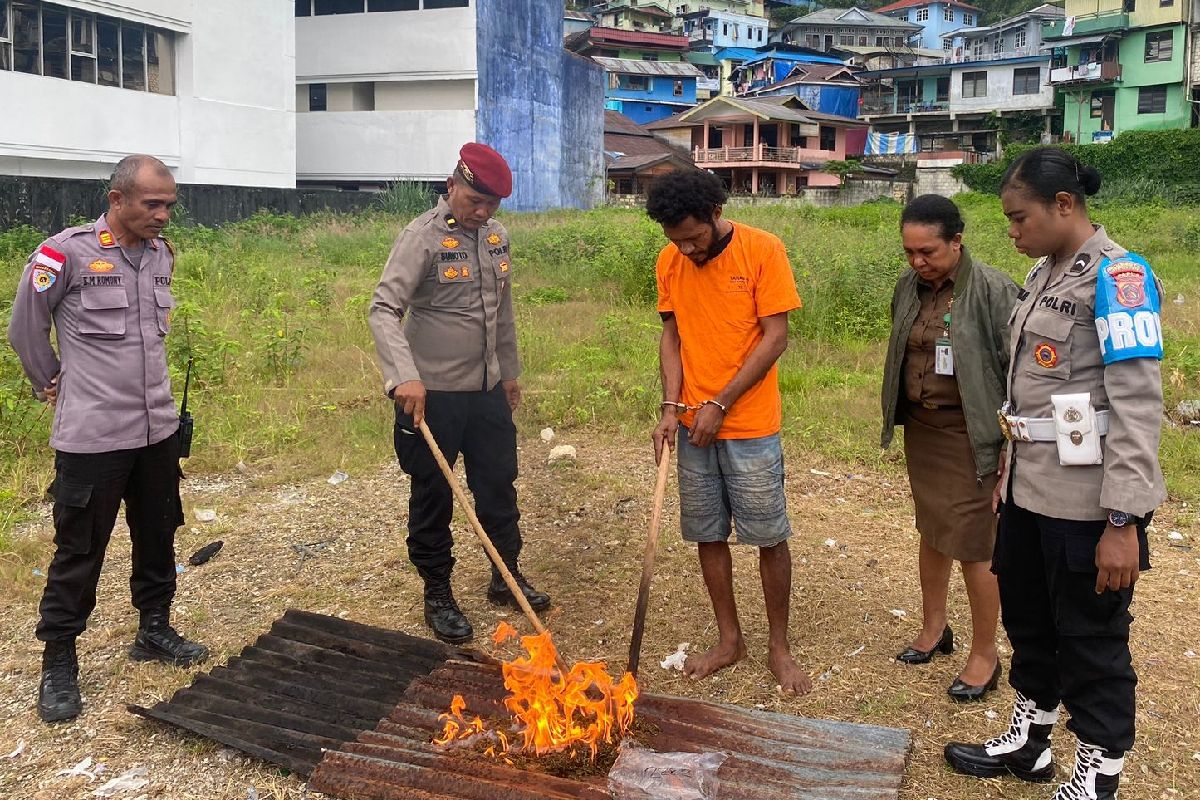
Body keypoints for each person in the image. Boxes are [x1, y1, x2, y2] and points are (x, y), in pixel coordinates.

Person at [945, 148, 1166, 799]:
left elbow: (1136, 405)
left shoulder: (1119, 277)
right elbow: (1032, 393)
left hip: (1086, 503)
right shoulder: (1045, 272)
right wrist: (1003, 478)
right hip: (1028, 492)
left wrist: (1123, 520)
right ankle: (1031, 739)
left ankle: (1097, 773)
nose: (1010, 232)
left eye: (1019, 218)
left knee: (1092, 643)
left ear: (1063, 205)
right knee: (1031, 624)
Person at [8, 154, 209, 724]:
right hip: (94, 436)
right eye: (153, 203)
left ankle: (153, 629)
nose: (164, 215)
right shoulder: (64, 253)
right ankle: (59, 661)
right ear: (117, 199)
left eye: (170, 204)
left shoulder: (160, 256)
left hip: (157, 430)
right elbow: (26, 327)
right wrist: (50, 381)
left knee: (158, 533)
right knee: (79, 551)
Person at [368, 143, 548, 645]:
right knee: (433, 493)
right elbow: (384, 308)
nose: (482, 211)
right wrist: (403, 376)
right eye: (474, 200)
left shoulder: (496, 237)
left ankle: (505, 574)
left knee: (498, 486)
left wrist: (508, 372)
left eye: (492, 204)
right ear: (452, 186)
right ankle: (438, 592)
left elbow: (503, 311)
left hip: (487, 390)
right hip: (433, 395)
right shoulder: (421, 237)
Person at [647, 169, 810, 695]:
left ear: (716, 213)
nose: (688, 249)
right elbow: (672, 339)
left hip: (750, 425)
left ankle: (778, 647)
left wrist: (722, 401)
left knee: (767, 536)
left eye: (694, 237)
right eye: (677, 240)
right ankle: (729, 640)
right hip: (694, 427)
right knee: (707, 532)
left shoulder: (764, 250)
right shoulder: (671, 261)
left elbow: (776, 337)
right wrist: (673, 406)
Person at [881, 195, 1016, 701]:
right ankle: (934, 627)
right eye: (910, 252)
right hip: (924, 431)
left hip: (972, 436)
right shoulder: (908, 289)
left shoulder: (993, 290)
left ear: (956, 242)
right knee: (932, 530)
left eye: (929, 252)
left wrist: (1008, 441)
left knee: (976, 547)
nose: (918, 261)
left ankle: (986, 654)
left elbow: (1018, 367)